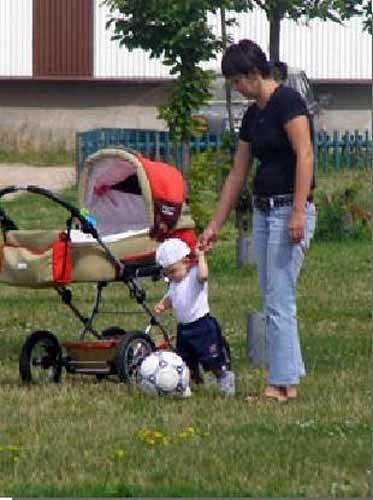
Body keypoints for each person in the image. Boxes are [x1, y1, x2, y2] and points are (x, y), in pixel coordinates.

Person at [199, 39, 316, 403]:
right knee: (272, 296)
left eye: (238, 81)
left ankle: (278, 386)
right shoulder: (253, 115)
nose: (237, 89)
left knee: (279, 299)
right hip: (264, 212)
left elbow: (305, 154)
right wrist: (214, 226)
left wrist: (298, 210)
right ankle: (288, 379)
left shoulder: (288, 102)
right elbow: (237, 174)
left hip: (288, 211)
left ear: (254, 73)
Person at [154, 238, 235, 396]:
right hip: (184, 328)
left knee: (211, 358)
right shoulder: (174, 283)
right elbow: (171, 298)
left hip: (202, 326)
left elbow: (204, 276)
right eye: (166, 273)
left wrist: (201, 257)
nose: (170, 276)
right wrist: (162, 305)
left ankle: (223, 377)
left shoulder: (194, 275)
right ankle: (189, 383)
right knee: (184, 360)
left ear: (186, 262)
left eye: (172, 271)